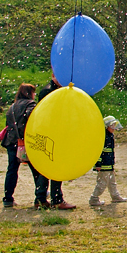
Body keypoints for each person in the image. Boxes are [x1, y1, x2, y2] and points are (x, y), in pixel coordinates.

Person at [37, 73, 76, 210]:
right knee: (53, 166)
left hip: (52, 131)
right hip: (52, 132)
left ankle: (41, 199)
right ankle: (55, 200)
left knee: (47, 167)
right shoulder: (49, 91)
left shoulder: (55, 90)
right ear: (54, 75)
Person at [1, 83, 39, 208]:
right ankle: (39, 196)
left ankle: (8, 198)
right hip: (27, 141)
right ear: (29, 93)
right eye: (33, 92)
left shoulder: (11, 107)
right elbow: (32, 117)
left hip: (12, 142)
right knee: (37, 170)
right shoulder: (31, 105)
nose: (34, 95)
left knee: (12, 170)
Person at [89, 116, 127, 206]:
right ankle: (94, 198)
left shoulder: (110, 136)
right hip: (103, 165)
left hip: (109, 165)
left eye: (115, 125)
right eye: (112, 125)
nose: (114, 127)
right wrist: (98, 164)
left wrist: (111, 164)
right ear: (107, 126)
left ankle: (115, 196)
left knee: (112, 182)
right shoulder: (103, 137)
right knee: (102, 183)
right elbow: (98, 152)